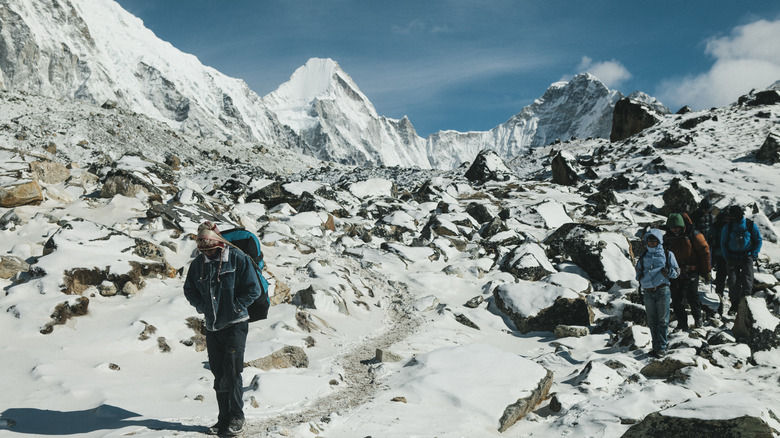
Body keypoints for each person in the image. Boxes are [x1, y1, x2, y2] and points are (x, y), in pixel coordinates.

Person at [184, 221, 262, 436]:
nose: (207, 253)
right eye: (203, 250)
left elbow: (253, 290)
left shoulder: (238, 258)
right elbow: (189, 289)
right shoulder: (198, 264)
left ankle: (237, 416)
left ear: (218, 244)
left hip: (236, 324)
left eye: (210, 249)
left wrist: (235, 307)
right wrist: (203, 307)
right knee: (218, 373)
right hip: (212, 326)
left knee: (233, 370)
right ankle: (223, 418)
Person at [636, 229, 680, 358]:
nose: (651, 243)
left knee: (662, 321)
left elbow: (676, 272)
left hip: (662, 290)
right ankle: (656, 347)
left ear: (659, 241)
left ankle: (661, 347)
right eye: (649, 240)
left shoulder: (667, 254)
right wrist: (641, 278)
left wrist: (668, 272)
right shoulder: (644, 256)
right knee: (652, 321)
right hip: (648, 291)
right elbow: (638, 270)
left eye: (654, 240)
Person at [664, 213, 711, 330]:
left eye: (677, 227)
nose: (674, 230)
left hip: (692, 269)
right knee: (676, 299)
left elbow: (704, 252)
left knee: (692, 295)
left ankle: (698, 320)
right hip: (676, 271)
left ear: (682, 225)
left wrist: (706, 271)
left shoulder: (693, 235)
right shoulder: (667, 238)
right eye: (672, 228)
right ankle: (682, 324)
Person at [720, 205, 762, 315]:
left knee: (747, 281)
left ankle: (746, 304)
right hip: (732, 258)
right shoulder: (728, 227)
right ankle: (735, 304)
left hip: (746, 257)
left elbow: (758, 240)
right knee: (733, 281)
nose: (732, 219)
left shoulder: (750, 225)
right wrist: (727, 257)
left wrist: (753, 254)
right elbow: (723, 243)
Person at [707, 209, 730, 315]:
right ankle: (719, 297)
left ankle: (719, 296)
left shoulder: (717, 225)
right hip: (724, 256)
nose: (727, 220)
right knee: (722, 277)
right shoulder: (721, 226)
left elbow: (709, 236)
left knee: (722, 278)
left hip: (723, 255)